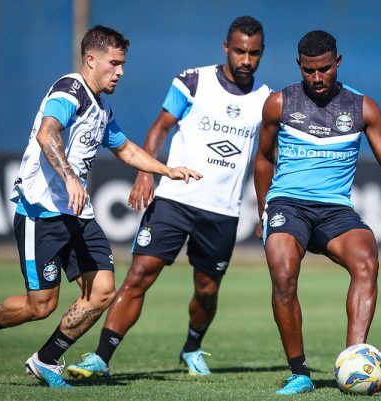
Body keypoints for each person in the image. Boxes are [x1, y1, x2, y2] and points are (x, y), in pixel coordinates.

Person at [0, 25, 201, 388]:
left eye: (123, 64)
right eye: (115, 63)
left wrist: (167, 169)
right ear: (92, 60)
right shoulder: (69, 89)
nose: (121, 72)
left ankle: (46, 359)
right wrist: (71, 177)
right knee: (40, 305)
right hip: (41, 212)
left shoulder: (102, 108)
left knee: (103, 290)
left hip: (78, 215)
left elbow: (124, 149)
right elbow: (47, 132)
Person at [66, 16, 271, 378]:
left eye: (253, 53)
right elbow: (161, 127)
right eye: (239, 51)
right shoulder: (193, 80)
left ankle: (192, 348)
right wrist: (146, 172)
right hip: (174, 199)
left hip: (221, 211)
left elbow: (264, 158)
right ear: (226, 48)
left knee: (207, 291)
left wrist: (266, 206)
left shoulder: (266, 100)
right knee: (139, 275)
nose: (245, 59)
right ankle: (101, 357)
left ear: (261, 54)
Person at [253, 30, 381, 395]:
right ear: (299, 65)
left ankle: (355, 361)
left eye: (324, 69)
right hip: (288, 204)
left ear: (338, 62)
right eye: (309, 70)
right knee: (282, 274)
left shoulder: (364, 107)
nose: (317, 78)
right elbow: (264, 159)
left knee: (367, 261)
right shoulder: (278, 104)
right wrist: (264, 210)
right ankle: (299, 372)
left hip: (334, 210)